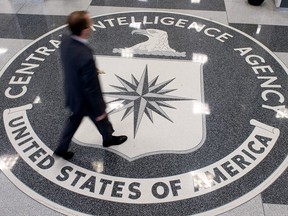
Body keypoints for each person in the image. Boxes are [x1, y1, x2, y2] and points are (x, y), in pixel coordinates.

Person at [54, 11, 127, 160]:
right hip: (85, 99)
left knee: (73, 121)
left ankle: (61, 148)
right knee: (101, 117)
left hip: (72, 92)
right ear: (85, 30)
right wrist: (99, 108)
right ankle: (108, 139)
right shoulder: (85, 57)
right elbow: (91, 88)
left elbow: (71, 61)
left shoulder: (66, 40)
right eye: (90, 23)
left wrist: (88, 71)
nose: (92, 25)